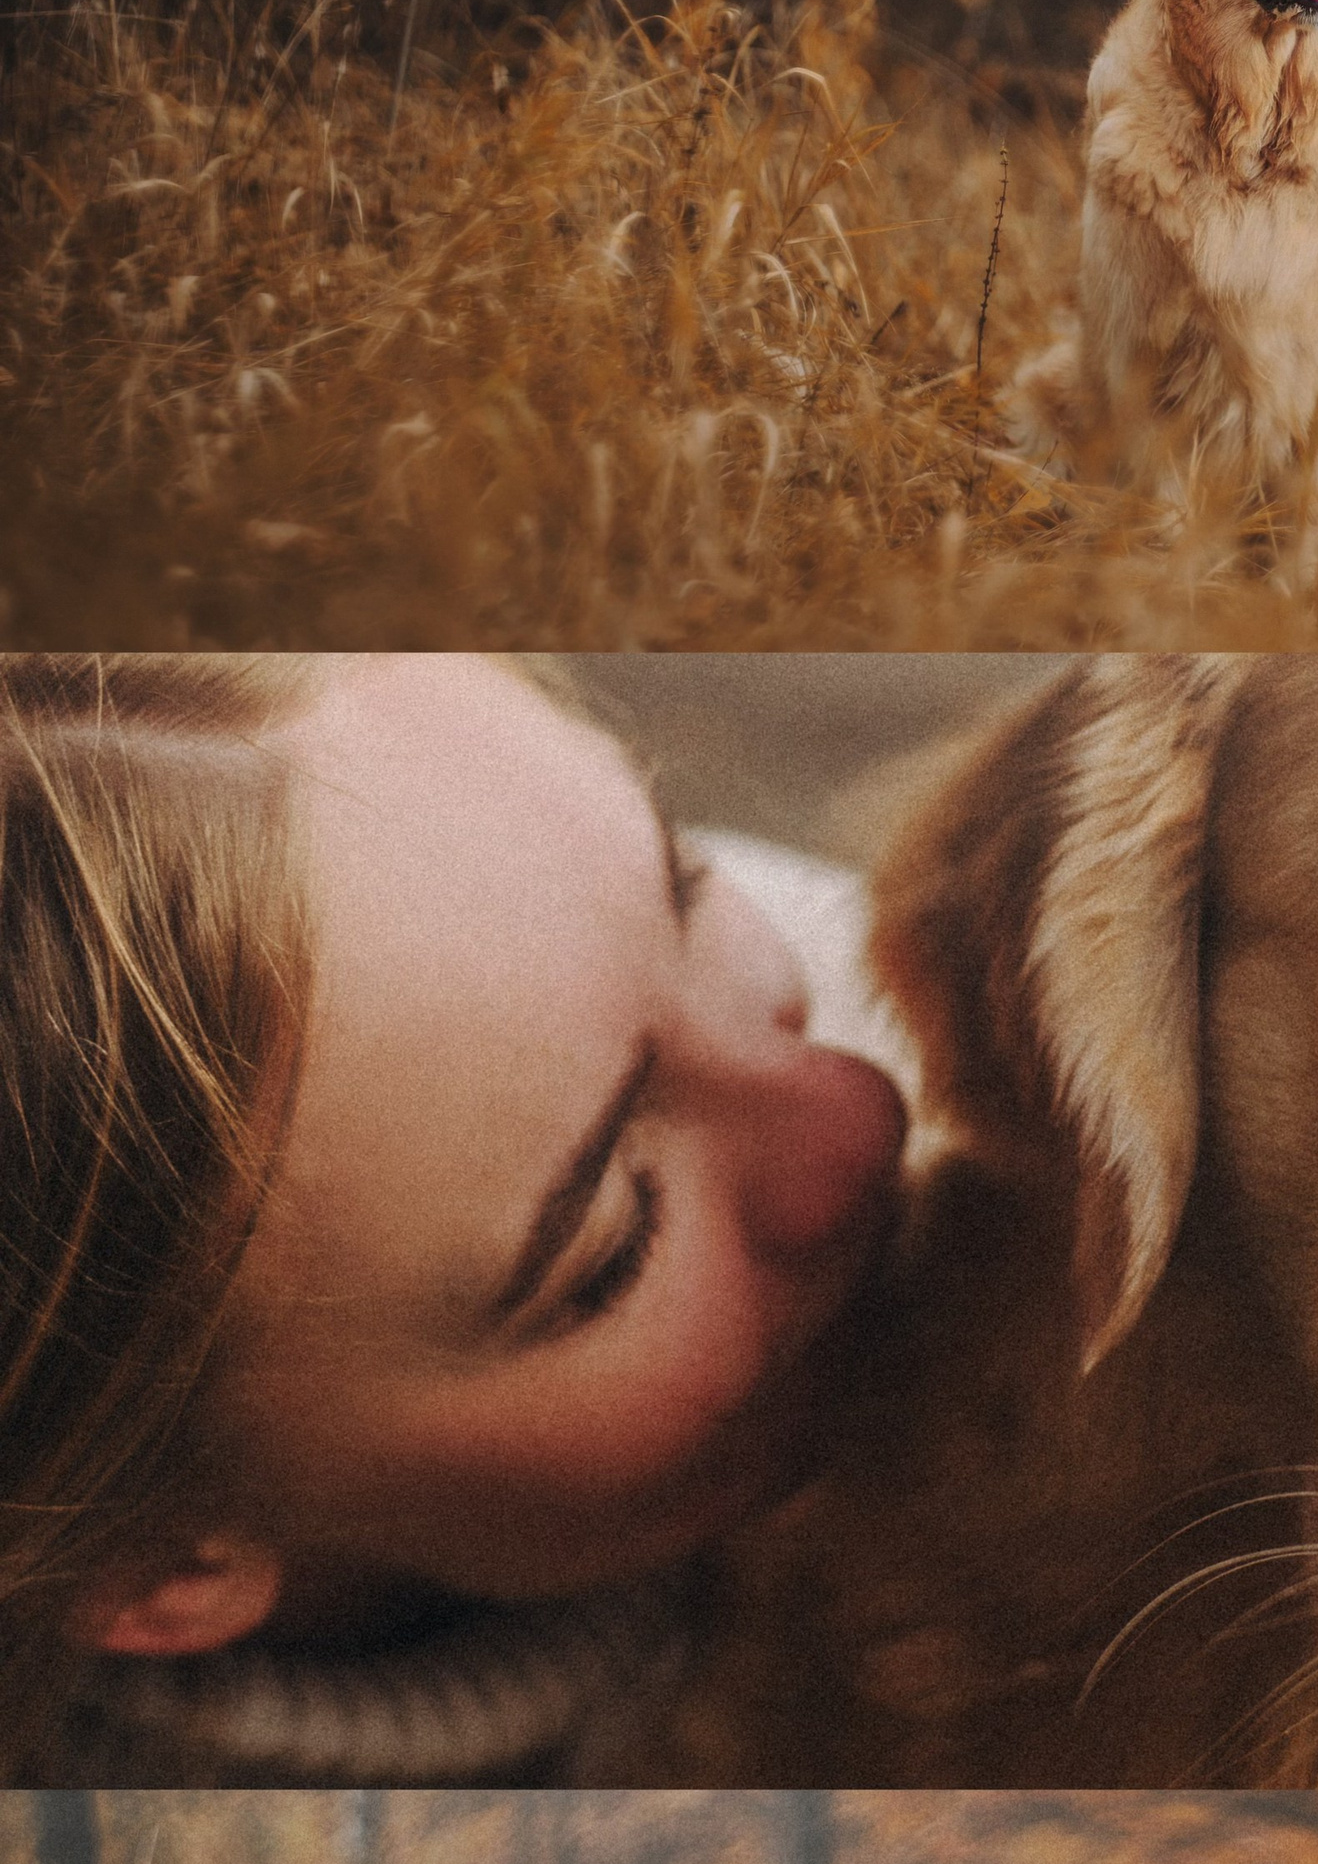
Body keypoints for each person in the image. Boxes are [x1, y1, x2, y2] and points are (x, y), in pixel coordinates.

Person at [2, 650, 912, 1784]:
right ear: (163, 1563)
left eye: (684, 880)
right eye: (614, 1245)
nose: (867, 1112)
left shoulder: (859, 977)